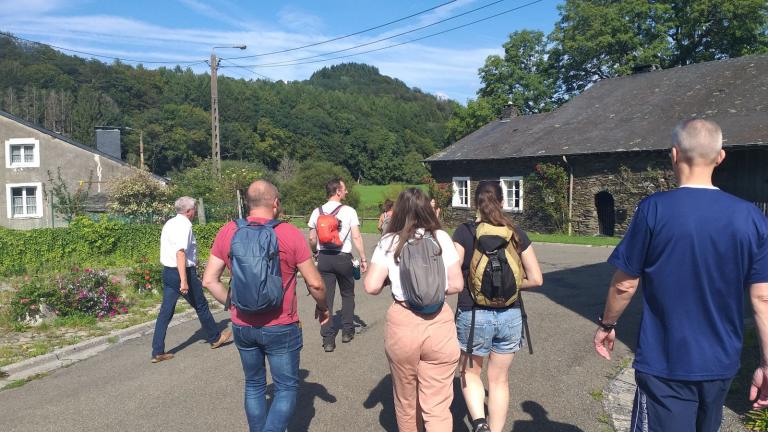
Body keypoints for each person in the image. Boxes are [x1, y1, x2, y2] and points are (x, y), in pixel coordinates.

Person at [593, 119, 768, 431]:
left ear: (674, 155)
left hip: (665, 363)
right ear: (720, 157)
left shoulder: (653, 210)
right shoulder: (752, 217)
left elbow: (625, 284)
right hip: (721, 364)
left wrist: (608, 324)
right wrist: (767, 364)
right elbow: (762, 298)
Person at [203, 180, 330, 432]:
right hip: (281, 325)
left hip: (242, 324)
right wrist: (324, 307)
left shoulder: (228, 231)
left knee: (254, 385)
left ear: (247, 204)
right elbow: (316, 284)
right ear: (275, 203)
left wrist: (232, 304)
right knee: (285, 388)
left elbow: (209, 280)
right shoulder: (289, 233)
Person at [364, 187, 464, 431]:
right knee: (438, 405)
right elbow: (457, 284)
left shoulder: (389, 241)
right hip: (439, 320)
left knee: (406, 400)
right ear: (427, 209)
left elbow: (371, 286)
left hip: (403, 320)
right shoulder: (441, 237)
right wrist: (433, 289)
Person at [452, 181, 543, 432]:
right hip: (510, 315)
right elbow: (537, 279)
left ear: (475, 204)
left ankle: (479, 423)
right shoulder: (516, 232)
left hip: (473, 315)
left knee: (471, 373)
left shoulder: (464, 232)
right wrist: (510, 287)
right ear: (502, 202)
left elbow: (453, 277)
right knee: (499, 380)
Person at [151, 196, 232, 363]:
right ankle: (215, 337)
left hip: (168, 272)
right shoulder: (184, 225)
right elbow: (180, 253)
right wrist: (184, 280)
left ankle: (157, 351)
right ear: (188, 211)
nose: (195, 212)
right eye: (194, 209)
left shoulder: (170, 223)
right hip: (182, 272)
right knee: (201, 305)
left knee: (166, 311)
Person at [308, 178, 367, 352]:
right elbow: (356, 237)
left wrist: (315, 252)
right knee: (348, 294)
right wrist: (363, 258)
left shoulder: (316, 211)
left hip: (324, 258)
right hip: (343, 258)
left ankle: (328, 339)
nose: (347, 192)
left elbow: (312, 238)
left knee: (326, 299)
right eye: (345, 189)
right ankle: (347, 331)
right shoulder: (349, 211)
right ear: (338, 191)